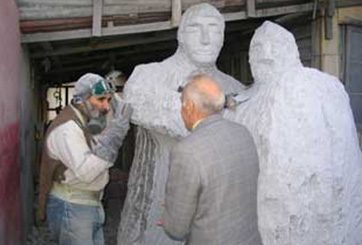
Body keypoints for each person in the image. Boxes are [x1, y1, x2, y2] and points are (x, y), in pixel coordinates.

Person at [225, 21, 362, 245]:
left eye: (275, 47)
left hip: (310, 214)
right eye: (258, 49)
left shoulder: (308, 84)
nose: (266, 56)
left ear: (291, 51)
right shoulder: (241, 102)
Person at [118, 3, 244, 245]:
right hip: (155, 219)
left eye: (215, 29)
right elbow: (166, 114)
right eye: (197, 28)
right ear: (181, 35)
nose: (207, 38)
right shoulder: (148, 77)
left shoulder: (235, 88)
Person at [160, 74, 262, 245]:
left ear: (190, 107)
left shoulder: (187, 151)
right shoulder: (243, 133)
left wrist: (170, 215)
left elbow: (176, 229)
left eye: (182, 104)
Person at [38, 73, 132, 245]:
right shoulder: (67, 129)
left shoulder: (83, 122)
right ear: (82, 99)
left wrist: (109, 127)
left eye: (109, 100)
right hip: (72, 207)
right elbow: (87, 172)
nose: (106, 106)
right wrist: (115, 134)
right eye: (101, 99)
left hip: (87, 205)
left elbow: (96, 148)